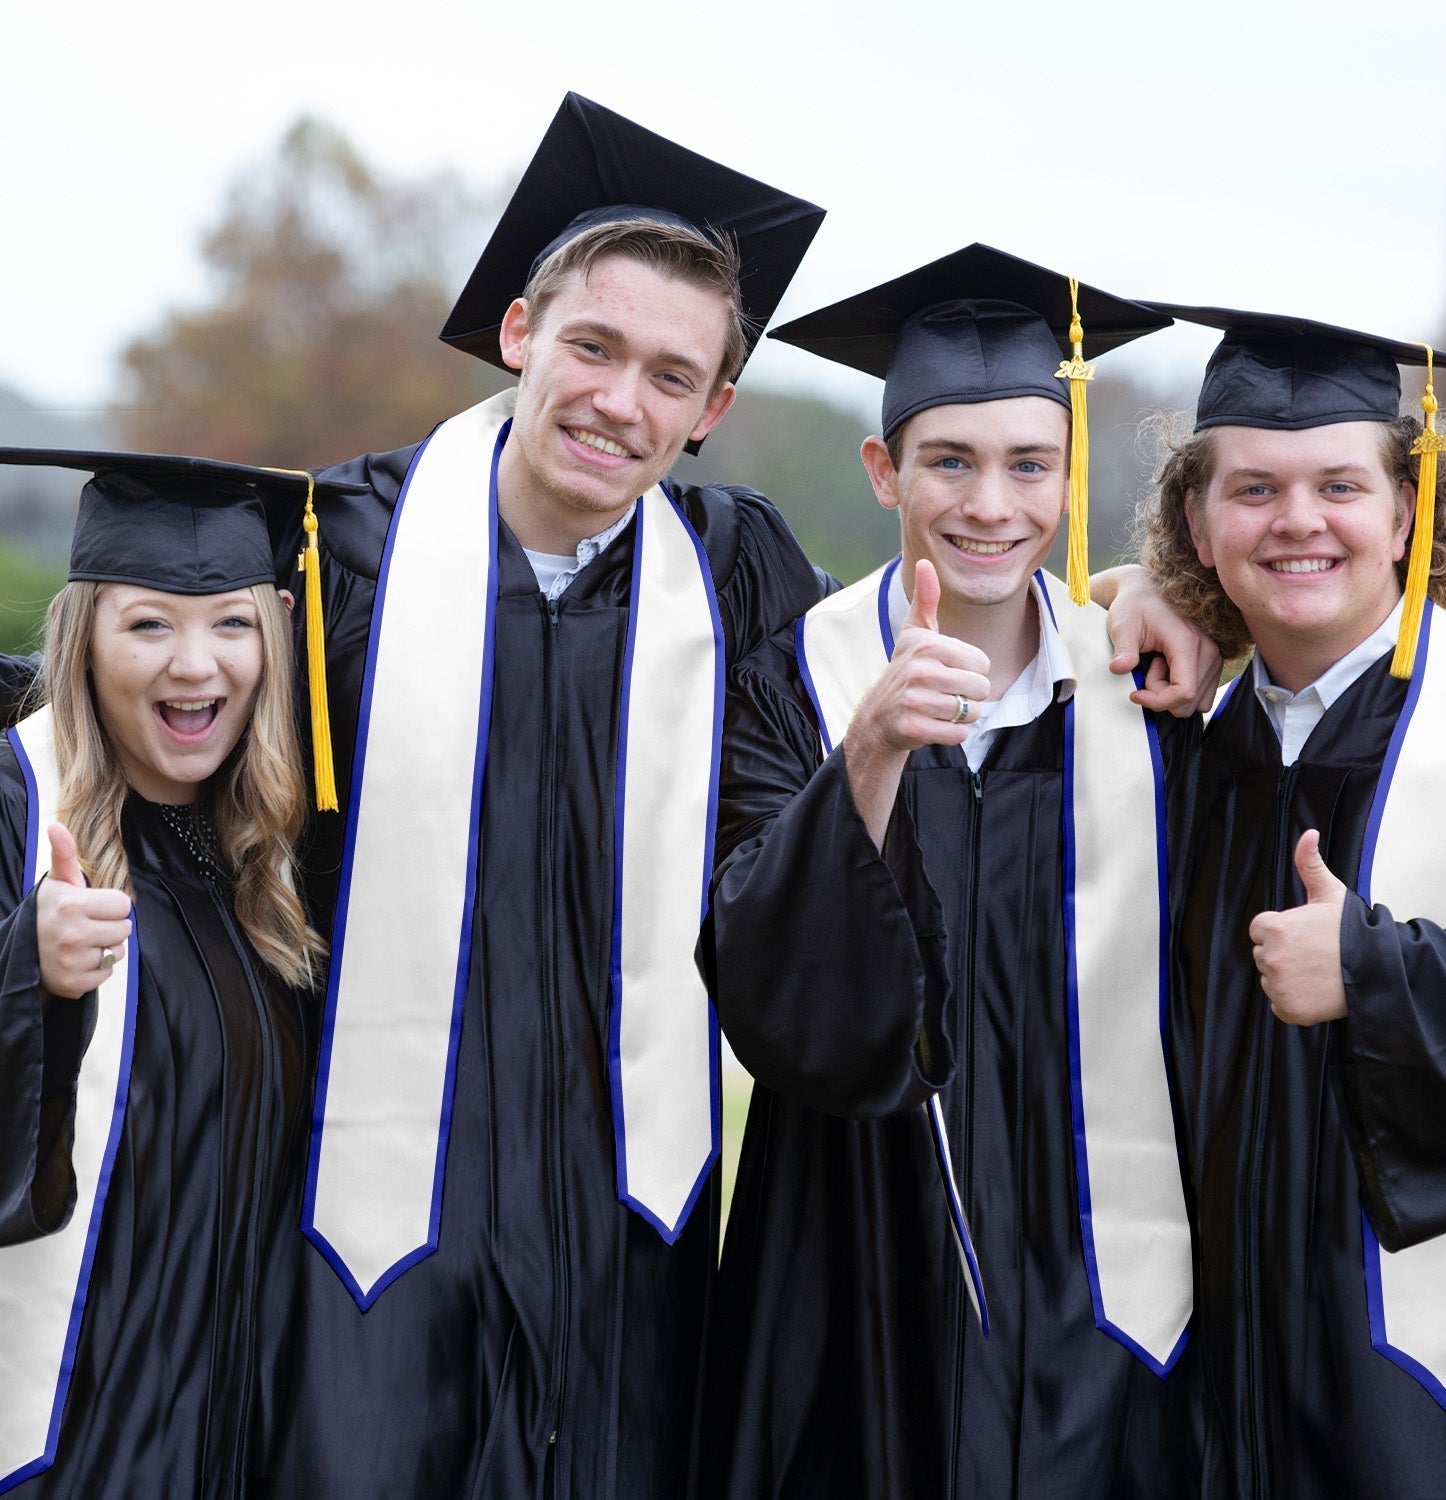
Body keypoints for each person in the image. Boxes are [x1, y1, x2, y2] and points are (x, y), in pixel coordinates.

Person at [254, 95, 828, 1499]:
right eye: (592, 346)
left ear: (711, 413)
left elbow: (879, 727)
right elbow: (152, 720)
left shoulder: (738, 572)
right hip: (375, 1199)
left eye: (670, 376)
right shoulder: (343, 551)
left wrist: (1129, 614)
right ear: (520, 335)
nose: (620, 401)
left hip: (629, 1201)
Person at [699, 246, 1202, 1499]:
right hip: (851, 1262)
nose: (993, 504)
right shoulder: (793, 681)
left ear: (1070, 472)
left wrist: (1181, 599)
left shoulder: (1150, 695)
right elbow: (761, 980)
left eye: (1030, 463)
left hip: (1101, 1280)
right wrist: (868, 747)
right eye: (950, 462)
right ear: (885, 472)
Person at [1134, 306, 1446, 1498]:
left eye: (1340, 485)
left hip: (1441, 1392)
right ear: (1196, 520)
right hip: (1219, 1391)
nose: (1298, 522)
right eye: (1254, 490)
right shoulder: (1171, 743)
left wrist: (1377, 971)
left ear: (1406, 509)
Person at [0, 451, 342, 1498]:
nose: (196, 666)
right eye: (150, 624)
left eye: (231, 624)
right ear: (84, 637)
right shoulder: (16, 806)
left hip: (226, 1419)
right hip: (67, 1428)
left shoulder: (265, 862)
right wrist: (30, 972)